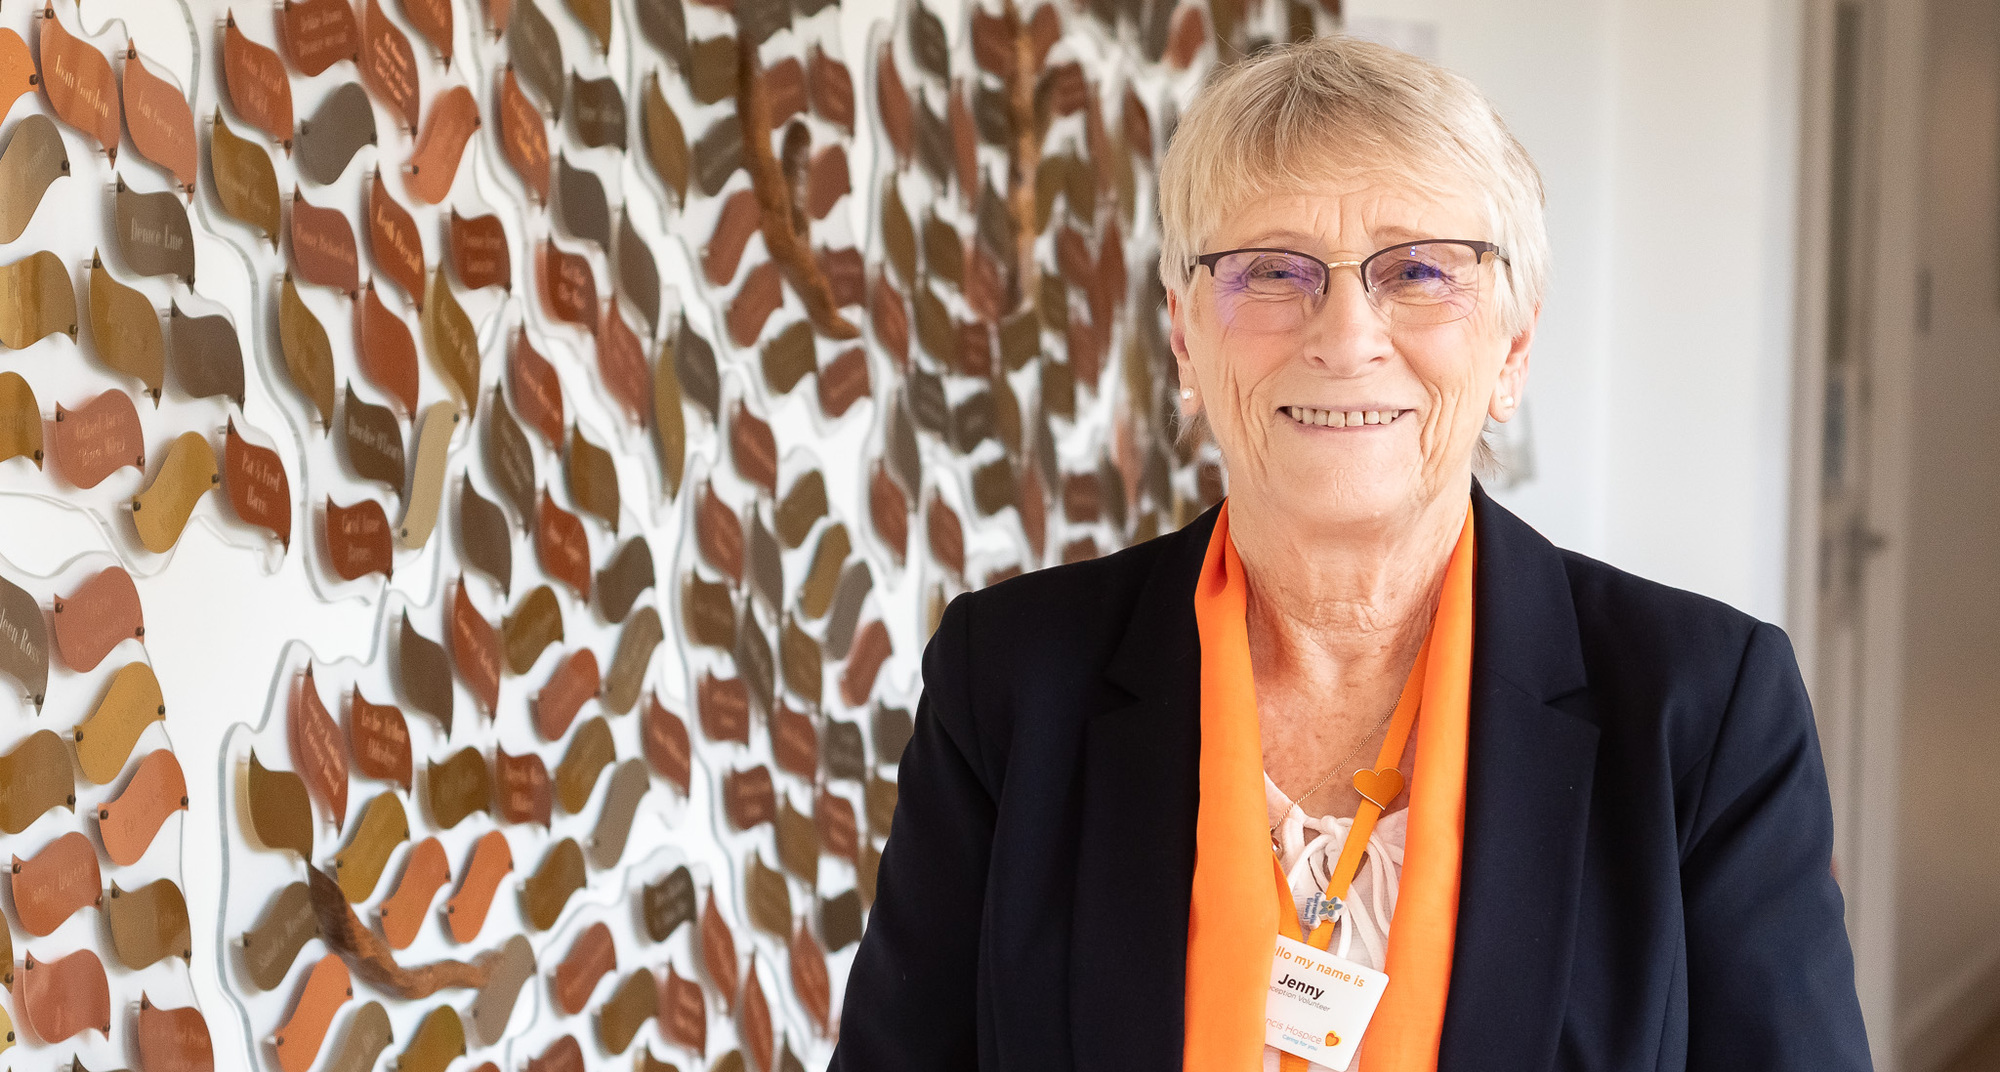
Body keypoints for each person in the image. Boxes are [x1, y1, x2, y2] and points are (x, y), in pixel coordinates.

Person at [828, 34, 1871, 1072]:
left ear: (1510, 350)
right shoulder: (1010, 675)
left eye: (1417, 270)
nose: (1344, 335)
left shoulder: (1703, 705)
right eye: (1271, 272)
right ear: (1186, 342)